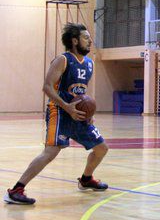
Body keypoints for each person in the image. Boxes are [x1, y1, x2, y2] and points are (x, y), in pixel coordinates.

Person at [4, 23, 109, 205]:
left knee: (101, 148)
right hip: (59, 111)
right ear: (74, 41)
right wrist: (67, 107)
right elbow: (47, 87)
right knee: (51, 152)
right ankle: (16, 190)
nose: (90, 40)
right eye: (86, 38)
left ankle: (86, 179)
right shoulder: (63, 60)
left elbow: (82, 91)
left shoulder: (90, 63)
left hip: (78, 113)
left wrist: (88, 111)